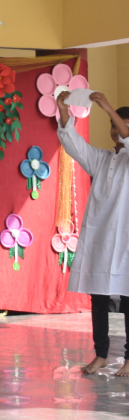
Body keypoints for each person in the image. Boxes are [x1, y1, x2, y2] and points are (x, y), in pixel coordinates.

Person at [55, 90, 129, 376]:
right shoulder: (103, 159)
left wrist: (109, 108)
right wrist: (64, 111)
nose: (115, 130)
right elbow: (74, 145)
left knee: (127, 299)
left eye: (121, 125)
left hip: (125, 240)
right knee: (98, 298)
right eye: (113, 125)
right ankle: (101, 354)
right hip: (102, 239)